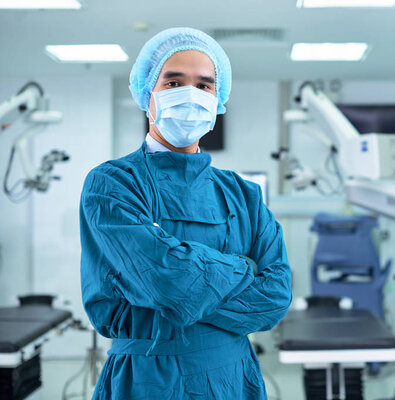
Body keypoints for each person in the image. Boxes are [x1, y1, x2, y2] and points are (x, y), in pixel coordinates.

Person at [79, 27, 292, 399]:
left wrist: (184, 291)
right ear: (148, 95)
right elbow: (169, 283)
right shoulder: (113, 183)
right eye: (174, 82)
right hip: (150, 377)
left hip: (233, 377)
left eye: (204, 85)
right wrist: (245, 267)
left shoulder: (243, 194)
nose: (191, 95)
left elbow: (275, 296)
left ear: (218, 98)